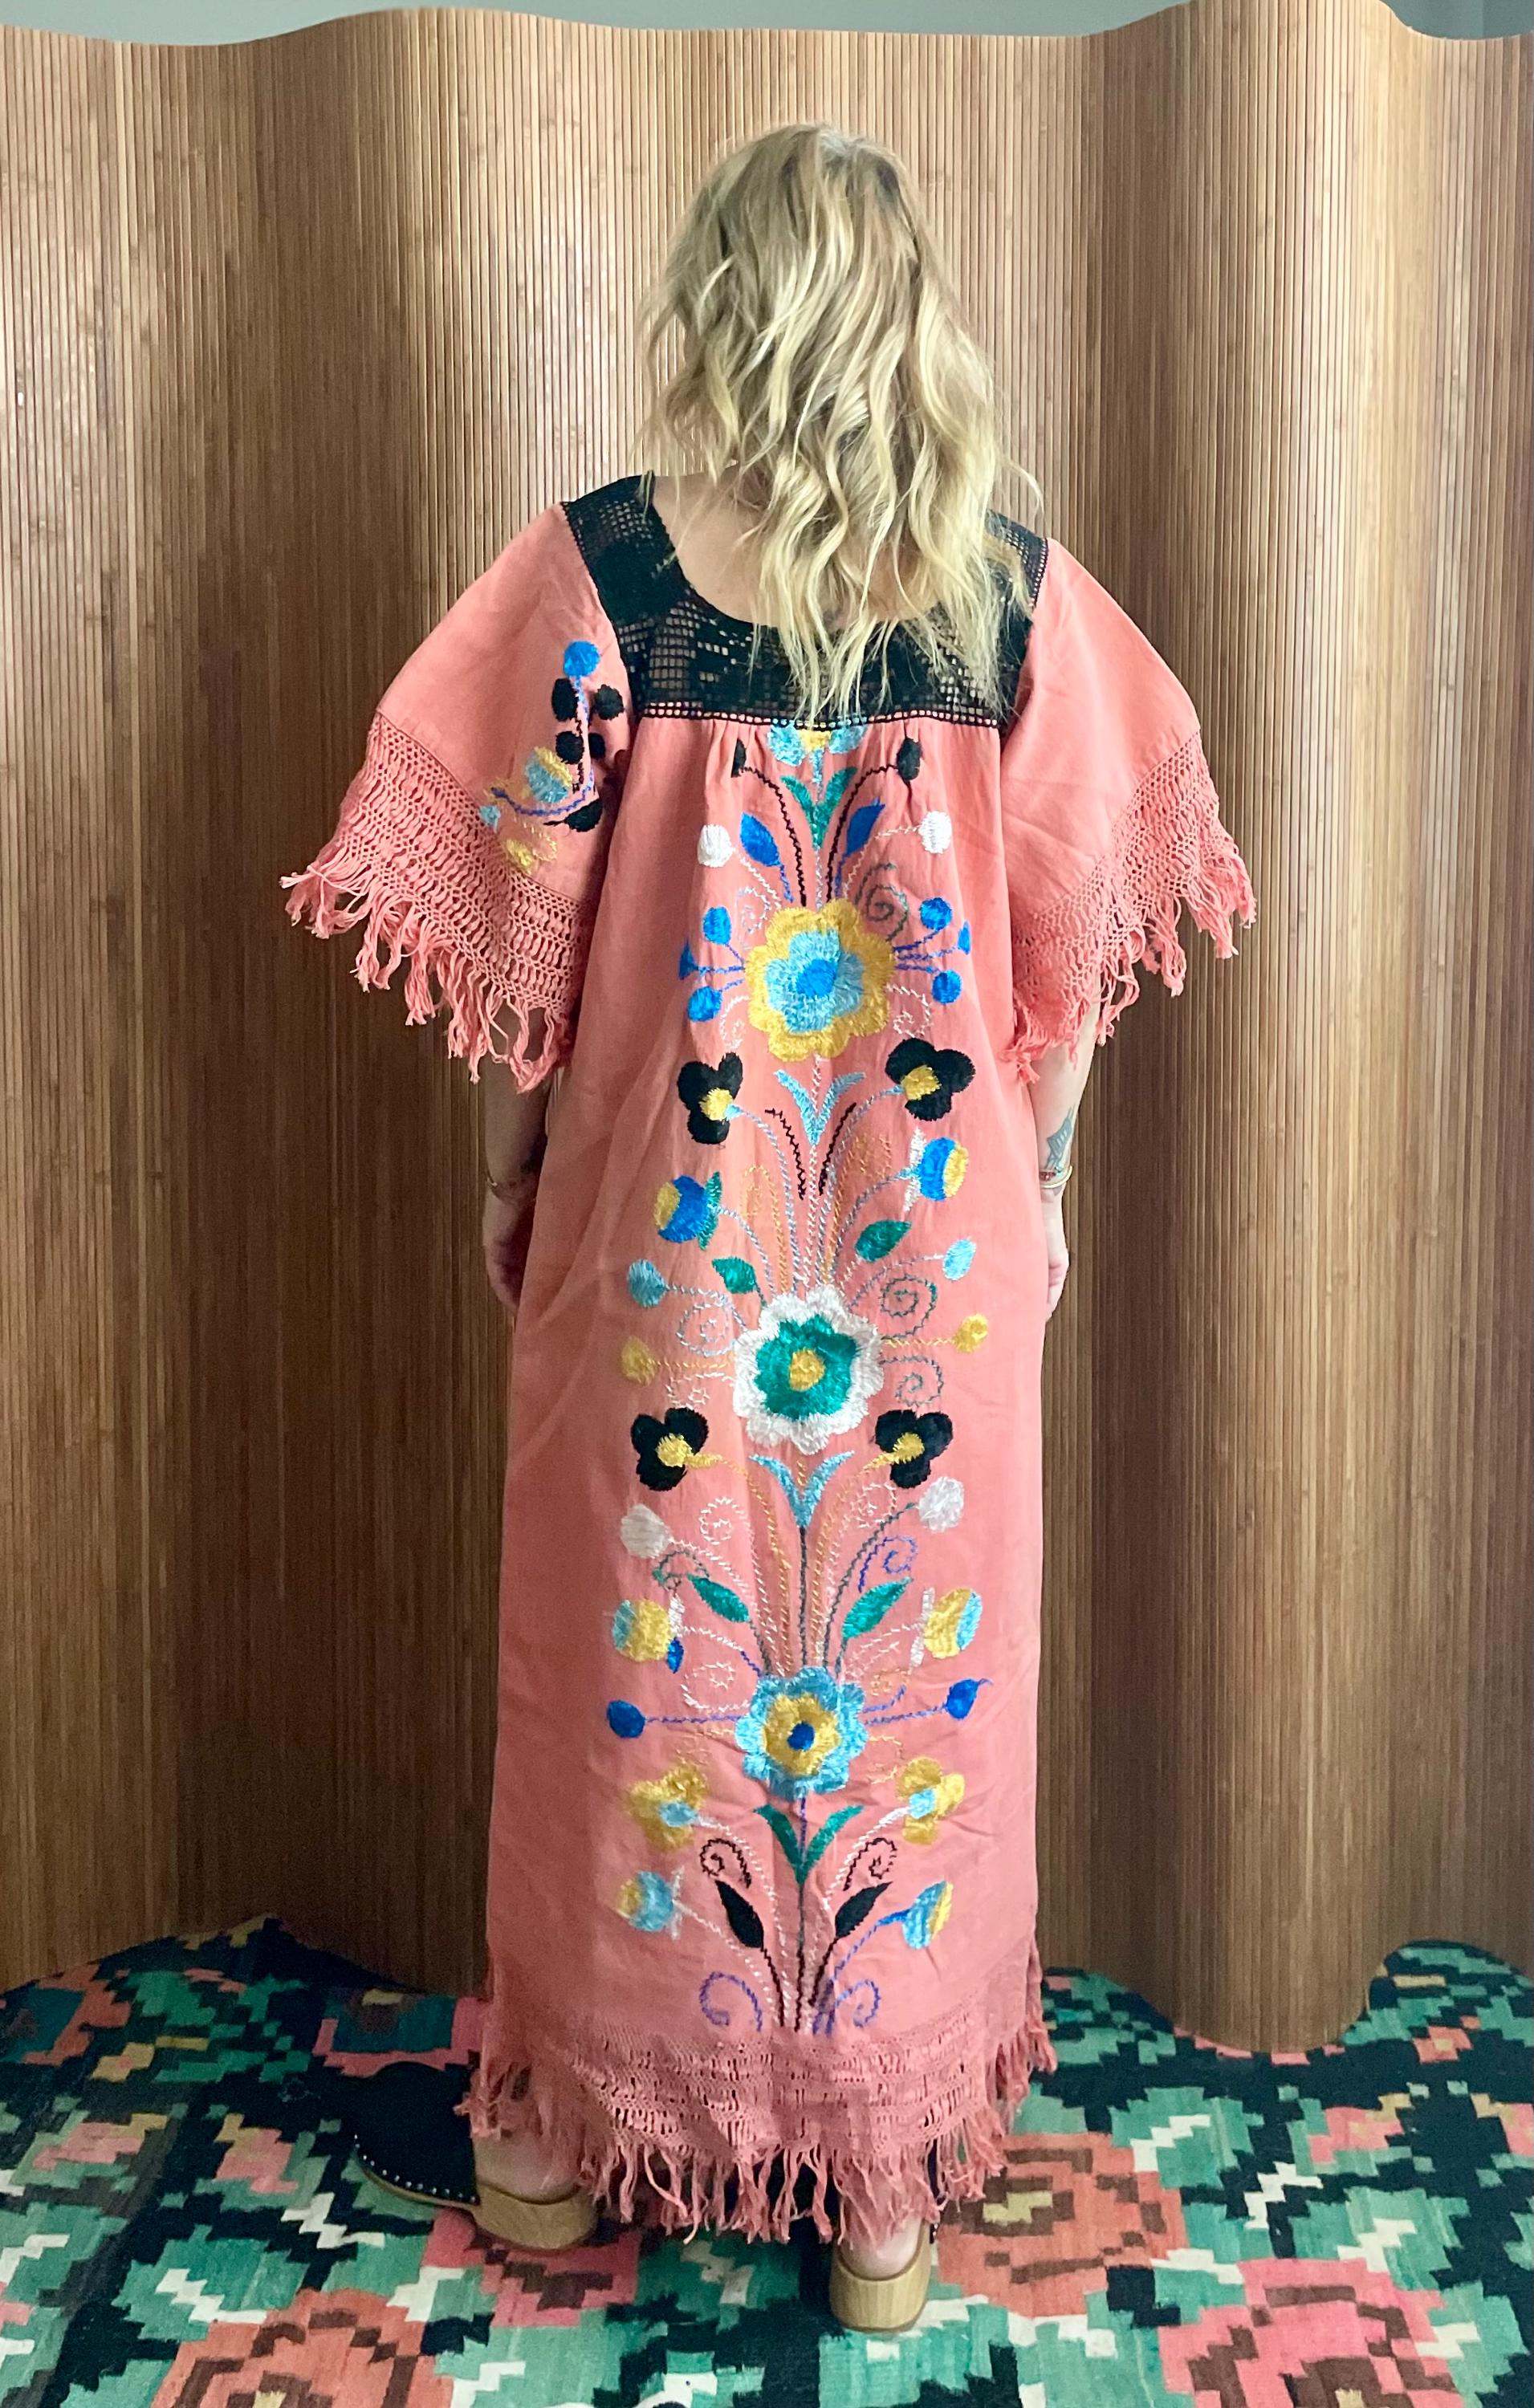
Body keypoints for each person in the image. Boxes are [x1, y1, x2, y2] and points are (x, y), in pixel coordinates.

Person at [283, 120, 1255, 2334]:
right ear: (912, 315)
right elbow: (1082, 958)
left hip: (662, 1270)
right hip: (936, 1287)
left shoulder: (605, 574)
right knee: (910, 1677)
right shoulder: (1009, 598)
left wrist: (515, 1181)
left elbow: (512, 968)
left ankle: (559, 2148)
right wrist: (1047, 1187)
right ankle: (881, 2208)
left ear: (716, 307)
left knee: (638, 1665)